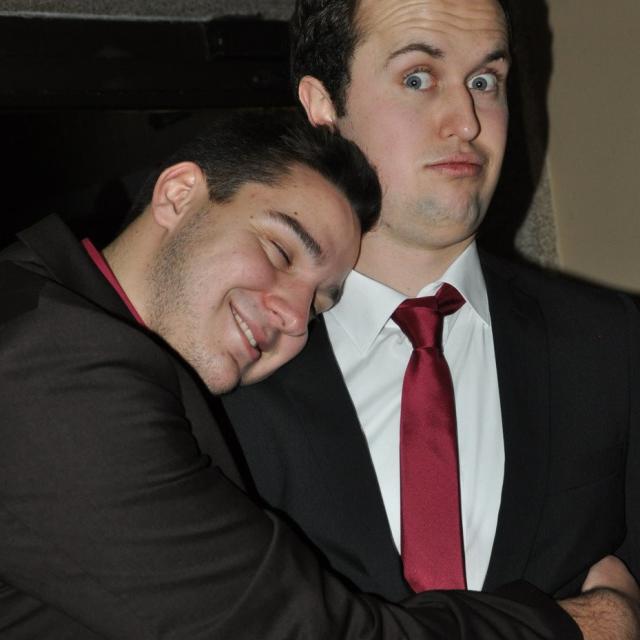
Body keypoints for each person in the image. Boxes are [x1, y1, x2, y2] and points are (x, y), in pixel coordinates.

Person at [0, 109, 597, 638]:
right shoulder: (55, 361)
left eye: (318, 305)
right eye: (280, 251)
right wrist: (581, 627)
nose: (292, 316)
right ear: (179, 195)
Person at [220, 0, 640, 635]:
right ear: (323, 106)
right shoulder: (227, 360)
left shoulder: (609, 341)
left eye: (485, 81)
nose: (466, 121)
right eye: (418, 77)